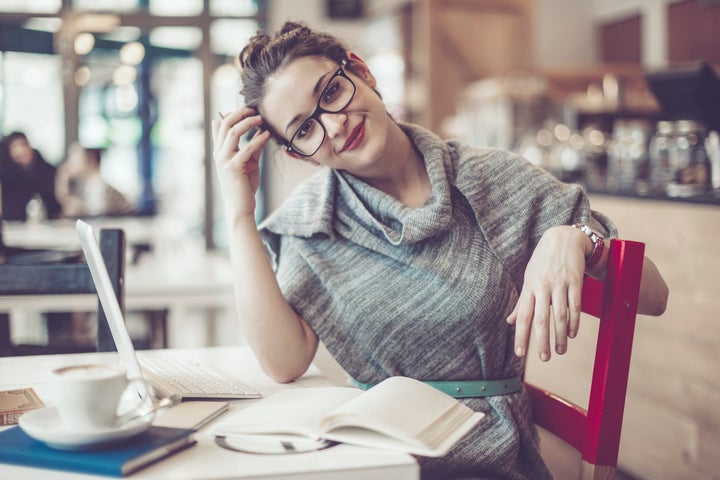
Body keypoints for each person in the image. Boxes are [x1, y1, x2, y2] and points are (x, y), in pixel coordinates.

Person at [212, 22, 669, 479]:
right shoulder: (313, 222)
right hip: (371, 457)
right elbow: (283, 361)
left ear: (361, 72)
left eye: (331, 93)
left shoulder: (492, 180)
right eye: (306, 128)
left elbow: (652, 295)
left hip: (486, 459)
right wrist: (238, 214)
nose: (335, 125)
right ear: (300, 154)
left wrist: (576, 241)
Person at [55, 143, 135, 218]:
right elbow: (65, 202)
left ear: (90, 159)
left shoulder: (98, 184)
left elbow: (97, 214)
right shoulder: (85, 183)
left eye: (74, 156)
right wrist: (63, 176)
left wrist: (79, 209)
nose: (69, 162)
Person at [0, 131, 62, 221]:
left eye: (24, 145)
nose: (22, 150)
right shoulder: (5, 173)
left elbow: (54, 200)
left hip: (45, 222)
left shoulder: (45, 169)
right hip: (12, 222)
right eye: (16, 146)